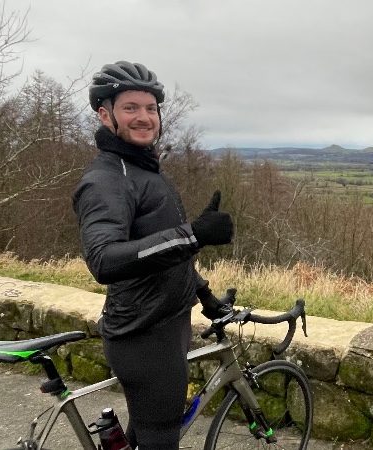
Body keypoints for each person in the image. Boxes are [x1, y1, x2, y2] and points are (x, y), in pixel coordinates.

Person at [73, 60, 233, 450]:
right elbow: (104, 259)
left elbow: (165, 253)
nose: (144, 117)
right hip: (144, 338)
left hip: (166, 325)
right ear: (105, 115)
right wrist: (193, 234)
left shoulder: (146, 171)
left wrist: (204, 294)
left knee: (143, 434)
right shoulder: (107, 180)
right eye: (131, 108)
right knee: (160, 439)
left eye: (151, 108)